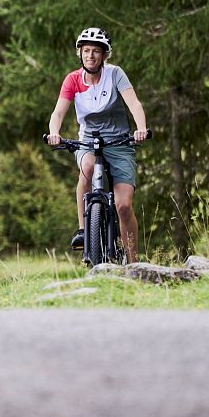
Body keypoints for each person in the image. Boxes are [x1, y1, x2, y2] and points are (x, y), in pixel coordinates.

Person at [46, 27, 149, 260]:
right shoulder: (72, 79)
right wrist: (54, 132)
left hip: (119, 142)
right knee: (88, 168)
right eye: (86, 51)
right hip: (88, 142)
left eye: (95, 51)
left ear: (104, 55)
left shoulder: (115, 74)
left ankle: (133, 262)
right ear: (80, 53)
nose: (90, 55)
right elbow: (58, 113)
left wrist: (140, 128)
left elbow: (134, 104)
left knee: (123, 206)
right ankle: (84, 230)